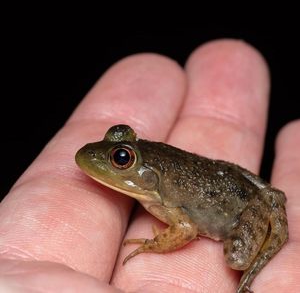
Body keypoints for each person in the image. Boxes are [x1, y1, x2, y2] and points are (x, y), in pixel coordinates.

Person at [0, 39, 298, 292]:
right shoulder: (154, 192)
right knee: (263, 197)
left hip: (239, 208)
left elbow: (185, 227)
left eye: (121, 159)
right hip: (228, 180)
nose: (114, 159)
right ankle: (268, 198)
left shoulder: (164, 203)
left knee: (237, 260)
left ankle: (265, 236)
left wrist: (153, 245)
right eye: (120, 153)